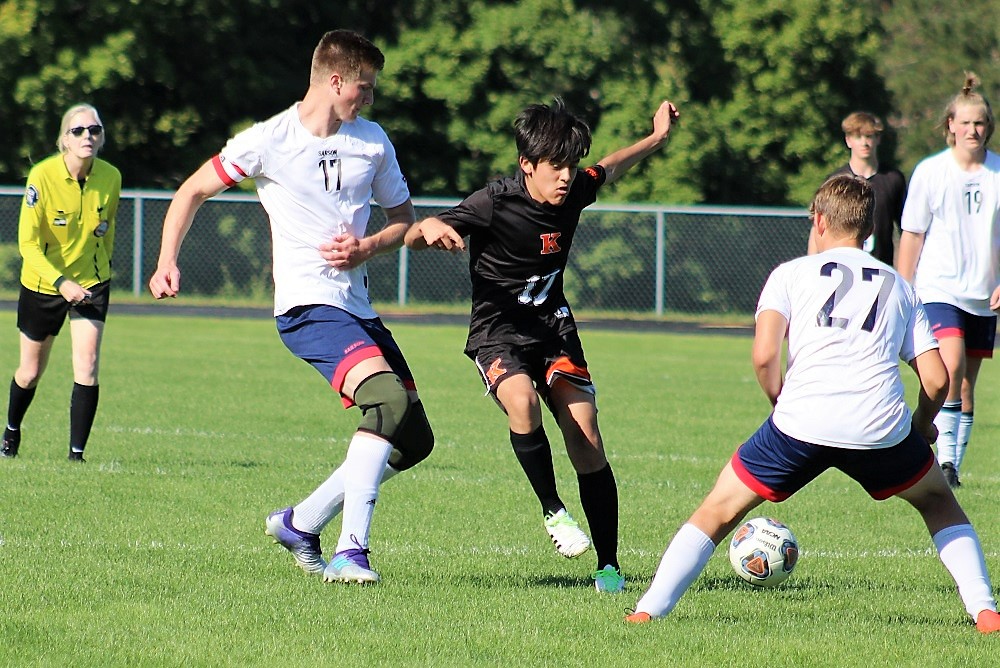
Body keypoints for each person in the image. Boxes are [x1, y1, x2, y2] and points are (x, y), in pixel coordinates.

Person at [625, 175, 1000, 634]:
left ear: (819, 221)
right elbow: (938, 379)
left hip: (799, 423)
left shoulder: (790, 273)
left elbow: (765, 357)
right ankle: (984, 610)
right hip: (879, 425)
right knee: (938, 501)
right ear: (869, 232)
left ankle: (648, 609)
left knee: (718, 509)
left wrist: (780, 404)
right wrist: (922, 425)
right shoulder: (900, 287)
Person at [148, 30, 434, 584]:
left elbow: (404, 219)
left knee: (415, 438)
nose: (369, 99)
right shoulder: (268, 140)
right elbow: (190, 192)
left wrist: (368, 246)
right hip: (306, 307)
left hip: (357, 307)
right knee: (385, 398)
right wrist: (166, 261)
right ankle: (352, 551)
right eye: (364, 88)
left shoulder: (372, 142)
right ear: (334, 81)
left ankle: (300, 523)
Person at [404, 97, 679, 593]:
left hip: (554, 331)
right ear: (526, 165)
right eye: (556, 166)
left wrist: (656, 139)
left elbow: (610, 167)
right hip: (497, 334)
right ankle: (553, 509)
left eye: (571, 165)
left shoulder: (573, 191)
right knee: (523, 402)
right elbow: (415, 235)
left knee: (587, 436)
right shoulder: (493, 202)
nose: (566, 176)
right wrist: (429, 228)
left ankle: (609, 565)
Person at [897, 73, 1000, 489]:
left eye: (980, 123)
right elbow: (912, 234)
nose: (972, 130)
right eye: (965, 123)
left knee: (966, 385)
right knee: (951, 365)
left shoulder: (997, 172)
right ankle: (941, 461)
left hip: (982, 294)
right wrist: (902, 289)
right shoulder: (930, 172)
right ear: (950, 127)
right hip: (938, 288)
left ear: (987, 127)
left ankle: (951, 465)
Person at [1, 104, 121, 463]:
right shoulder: (42, 176)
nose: (88, 136)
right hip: (43, 283)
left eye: (95, 130)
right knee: (31, 371)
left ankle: (76, 457)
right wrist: (60, 281)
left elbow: (107, 228)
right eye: (79, 130)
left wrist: (102, 270)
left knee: (87, 364)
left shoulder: (111, 177)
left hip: (91, 281)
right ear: (63, 140)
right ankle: (10, 432)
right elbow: (28, 245)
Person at [809, 111, 906, 265]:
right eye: (858, 137)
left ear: (877, 139)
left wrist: (905, 271)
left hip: (879, 268)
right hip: (840, 266)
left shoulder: (893, 179)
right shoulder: (835, 181)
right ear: (848, 141)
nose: (864, 143)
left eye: (869, 136)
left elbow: (906, 230)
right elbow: (818, 227)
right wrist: (813, 265)